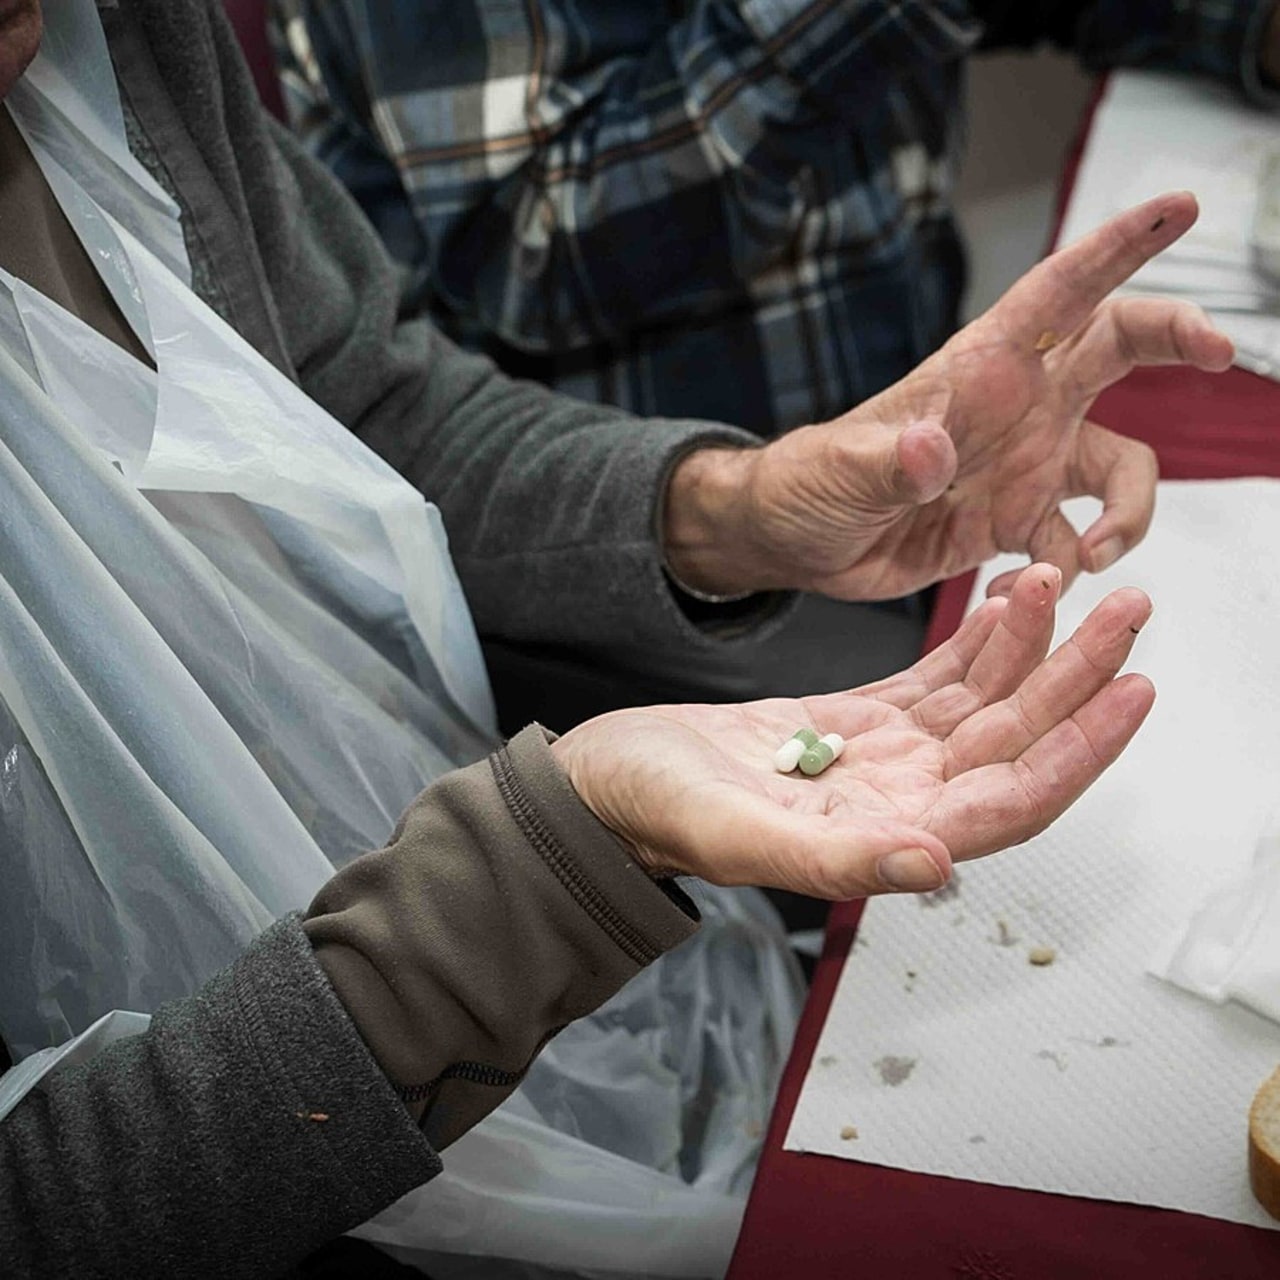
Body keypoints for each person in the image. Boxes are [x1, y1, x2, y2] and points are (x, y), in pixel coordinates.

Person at [0, 1, 1233, 1277]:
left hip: (438, 819)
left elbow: (364, 406)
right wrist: (557, 846)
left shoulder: (126, 32)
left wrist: (738, 509)